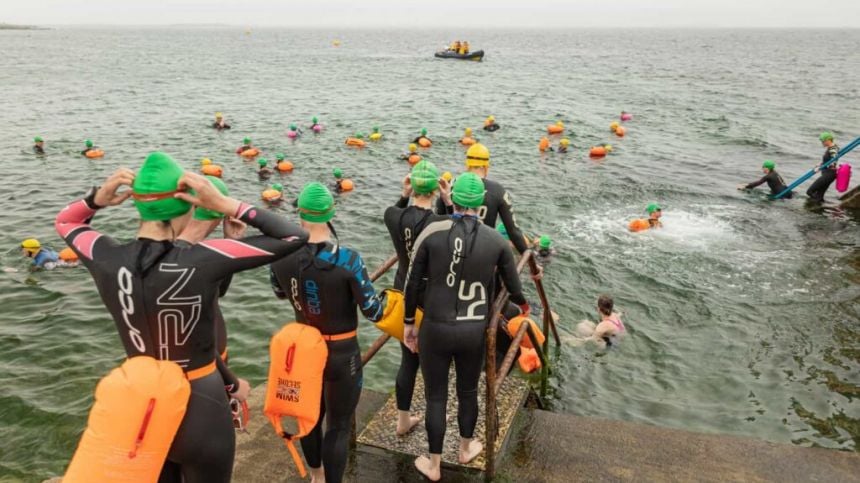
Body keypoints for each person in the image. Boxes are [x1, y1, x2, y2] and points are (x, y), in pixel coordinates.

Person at [54, 152, 308, 483]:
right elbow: (293, 236)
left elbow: (66, 222)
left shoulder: (105, 256)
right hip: (200, 406)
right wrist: (228, 204)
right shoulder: (204, 258)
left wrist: (97, 199)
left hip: (141, 406)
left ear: (137, 205)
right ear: (188, 206)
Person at [403, 173, 529, 481]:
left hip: (435, 326)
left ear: (454, 199)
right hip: (474, 330)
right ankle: (464, 448)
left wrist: (409, 323)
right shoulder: (497, 240)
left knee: (435, 396)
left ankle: (433, 465)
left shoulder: (433, 230)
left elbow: (411, 282)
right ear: (480, 206)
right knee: (468, 391)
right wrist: (521, 304)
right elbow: (514, 290)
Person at [270, 182, 386, 483]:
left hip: (304, 351)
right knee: (338, 425)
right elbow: (373, 312)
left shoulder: (281, 254)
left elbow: (279, 292)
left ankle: (316, 477)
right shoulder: (348, 260)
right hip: (340, 354)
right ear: (331, 213)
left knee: (308, 419)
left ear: (301, 215)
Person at [383, 161, 452, 437]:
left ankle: (402, 420)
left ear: (413, 187)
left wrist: (403, 193)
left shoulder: (392, 216)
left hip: (403, 293)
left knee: (407, 359)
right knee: (435, 360)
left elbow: (397, 209)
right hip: (431, 296)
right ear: (435, 189)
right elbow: (455, 226)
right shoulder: (439, 222)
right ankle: (438, 414)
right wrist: (447, 200)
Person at [175, 176, 245, 371]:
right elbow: (193, 332)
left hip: (208, 358)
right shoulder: (186, 257)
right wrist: (231, 383)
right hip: (205, 364)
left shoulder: (196, 251)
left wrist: (230, 242)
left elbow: (218, 292)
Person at [806, 132, 840, 203]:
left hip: (829, 174)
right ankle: (818, 207)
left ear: (828, 140)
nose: (822, 143)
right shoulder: (831, 148)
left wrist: (821, 167)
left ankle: (815, 205)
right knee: (819, 195)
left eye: (823, 141)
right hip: (827, 173)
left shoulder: (833, 148)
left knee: (810, 191)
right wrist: (820, 164)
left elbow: (834, 161)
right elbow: (829, 160)